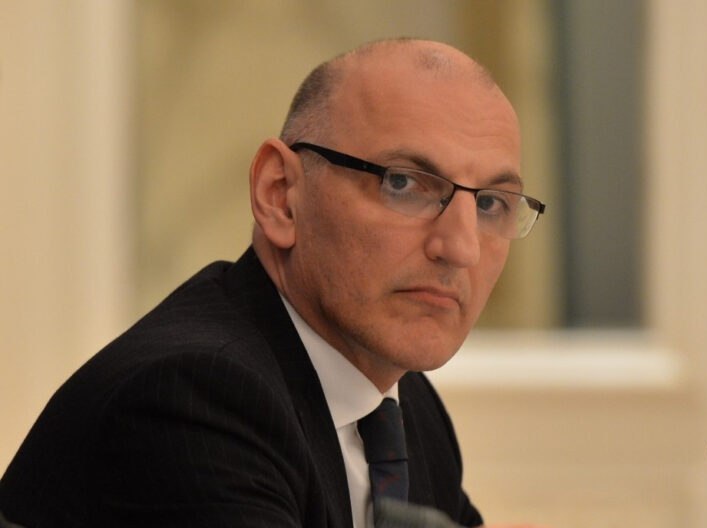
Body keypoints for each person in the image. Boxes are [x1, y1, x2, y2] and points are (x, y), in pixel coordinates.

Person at [0, 38, 545, 528]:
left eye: (491, 204)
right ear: (280, 194)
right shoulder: (195, 398)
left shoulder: (404, 403)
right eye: (403, 183)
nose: (461, 248)